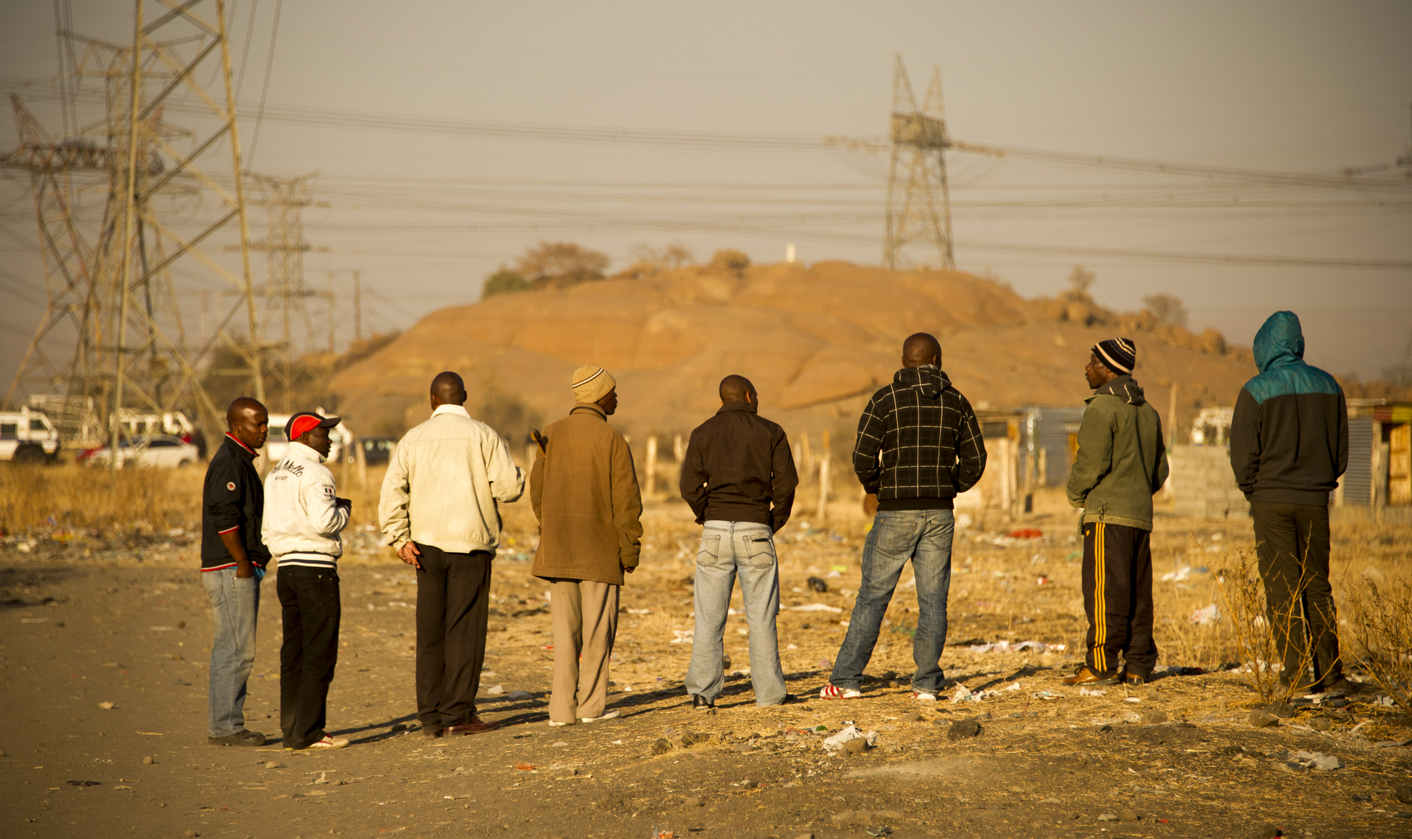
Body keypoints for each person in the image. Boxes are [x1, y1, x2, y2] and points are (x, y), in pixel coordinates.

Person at [822, 333, 987, 702]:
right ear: (938, 360)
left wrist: (880, 488)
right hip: (940, 513)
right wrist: (949, 486)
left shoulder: (884, 400)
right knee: (933, 601)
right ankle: (926, 684)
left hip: (894, 513)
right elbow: (976, 459)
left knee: (872, 598)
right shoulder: (957, 401)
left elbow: (862, 458)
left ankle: (846, 681)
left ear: (902, 362)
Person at [378, 372, 525, 738]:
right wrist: (521, 474)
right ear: (464, 398)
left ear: (432, 400)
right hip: (471, 545)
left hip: (425, 546)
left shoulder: (412, 439)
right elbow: (508, 489)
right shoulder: (484, 434)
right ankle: (457, 713)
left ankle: (429, 716)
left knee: (430, 632)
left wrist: (398, 538)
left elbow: (392, 491)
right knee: (465, 631)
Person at [1230, 311, 1351, 697]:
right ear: (1298, 342)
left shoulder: (1255, 389)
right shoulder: (1330, 386)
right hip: (1315, 500)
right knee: (1317, 586)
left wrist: (1255, 491)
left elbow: (1242, 456)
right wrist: (1320, 484)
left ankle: (1297, 674)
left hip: (1270, 501)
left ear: (1263, 345)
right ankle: (1331, 674)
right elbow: (1341, 454)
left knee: (1281, 588)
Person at [530, 366, 643, 726]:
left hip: (559, 550)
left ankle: (561, 712)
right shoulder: (612, 438)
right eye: (613, 392)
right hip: (600, 553)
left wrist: (551, 529)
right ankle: (592, 708)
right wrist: (629, 550)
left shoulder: (551, 433)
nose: (616, 399)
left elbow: (537, 493)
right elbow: (627, 503)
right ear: (599, 396)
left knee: (565, 636)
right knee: (597, 634)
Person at [680, 375, 799, 709]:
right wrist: (772, 521)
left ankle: (703, 693)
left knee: (708, 618)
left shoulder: (702, 432)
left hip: (715, 532)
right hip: (756, 530)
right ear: (749, 395)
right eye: (756, 394)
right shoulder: (772, 432)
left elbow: (689, 486)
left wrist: (709, 514)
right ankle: (770, 696)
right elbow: (787, 485)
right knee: (761, 618)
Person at [1064, 338, 1169, 687]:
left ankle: (1100, 665)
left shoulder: (1103, 408)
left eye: (1091, 361)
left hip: (1108, 517)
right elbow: (1160, 472)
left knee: (1104, 592)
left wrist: (1076, 495)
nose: (1086, 367)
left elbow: (1089, 464)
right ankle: (1138, 665)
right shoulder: (1148, 411)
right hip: (1140, 516)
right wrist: (1137, 493)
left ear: (1108, 369)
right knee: (1139, 594)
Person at [263, 412, 352, 750]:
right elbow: (325, 521)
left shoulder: (275, 473)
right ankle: (310, 731)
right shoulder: (316, 471)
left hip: (286, 568)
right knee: (320, 651)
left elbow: (268, 526)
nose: (329, 439)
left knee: (294, 651)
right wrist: (344, 509)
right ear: (304, 437)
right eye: (323, 433)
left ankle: (292, 728)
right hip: (315, 569)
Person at [201, 397, 272, 746]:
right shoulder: (229, 462)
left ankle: (224, 724)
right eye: (257, 424)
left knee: (230, 646)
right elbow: (224, 517)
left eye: (265, 423)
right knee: (236, 649)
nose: (264, 430)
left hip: (237, 567)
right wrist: (243, 563)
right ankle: (226, 727)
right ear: (236, 425)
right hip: (231, 568)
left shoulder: (241, 460)